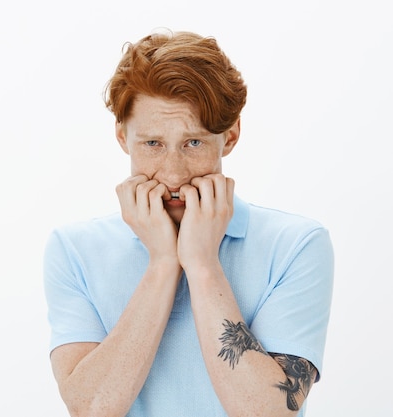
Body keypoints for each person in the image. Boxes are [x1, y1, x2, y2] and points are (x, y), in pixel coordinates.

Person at [43, 29, 334, 417]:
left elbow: (267, 412)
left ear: (229, 137)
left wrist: (202, 265)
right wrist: (163, 263)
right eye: (153, 144)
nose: (174, 174)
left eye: (193, 143)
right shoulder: (74, 248)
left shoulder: (297, 245)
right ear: (122, 137)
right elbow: (93, 408)